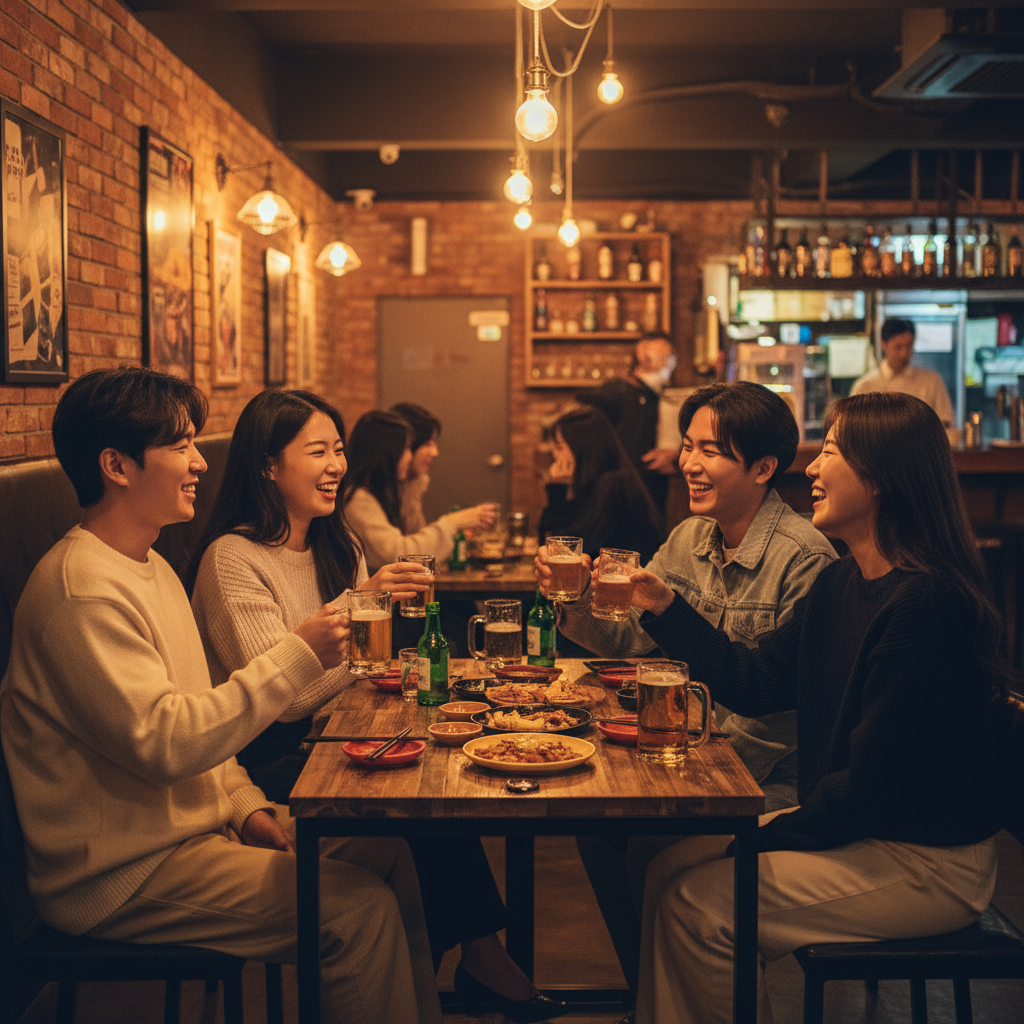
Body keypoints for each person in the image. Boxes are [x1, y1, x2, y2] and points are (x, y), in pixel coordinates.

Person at [0, 368, 441, 1024]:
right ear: (116, 465)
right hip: (122, 873)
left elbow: (200, 719)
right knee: (357, 911)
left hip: (195, 834)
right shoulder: (82, 590)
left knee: (393, 852)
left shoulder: (148, 566)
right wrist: (301, 651)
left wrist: (245, 807)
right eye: (181, 445)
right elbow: (168, 743)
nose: (200, 462)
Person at [626, 391, 1008, 1024]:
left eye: (829, 450)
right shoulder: (843, 582)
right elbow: (754, 680)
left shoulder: (924, 606)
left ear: (881, 478)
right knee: (665, 864)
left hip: (924, 861)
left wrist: (760, 835)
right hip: (865, 831)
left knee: (698, 906)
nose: (810, 468)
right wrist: (665, 608)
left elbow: (873, 788)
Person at [188, 388, 565, 1024]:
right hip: (273, 754)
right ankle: (481, 962)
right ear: (267, 466)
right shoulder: (233, 559)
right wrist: (361, 607)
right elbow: (288, 702)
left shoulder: (338, 545)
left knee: (445, 770)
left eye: (338, 448)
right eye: (317, 451)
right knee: (422, 795)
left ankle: (466, 965)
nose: (336, 464)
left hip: (336, 730)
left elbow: (367, 667)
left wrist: (393, 651)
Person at [536, 381, 836, 998]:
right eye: (686, 445)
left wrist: (693, 750)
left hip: (767, 774)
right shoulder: (688, 539)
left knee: (651, 845)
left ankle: (666, 999)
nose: (688, 463)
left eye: (710, 450)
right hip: (688, 756)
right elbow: (636, 646)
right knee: (594, 829)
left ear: (762, 468)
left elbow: (777, 698)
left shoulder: (807, 560)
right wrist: (569, 605)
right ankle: (650, 994)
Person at [342, 409, 498, 574]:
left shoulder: (385, 493)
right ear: (387, 452)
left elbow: (414, 540)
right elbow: (399, 555)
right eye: (407, 448)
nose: (410, 456)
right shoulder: (357, 499)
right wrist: (453, 522)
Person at [538, 405, 664, 563]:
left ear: (583, 448)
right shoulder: (593, 485)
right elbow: (546, 543)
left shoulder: (614, 485)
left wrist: (557, 491)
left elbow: (566, 553)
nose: (555, 454)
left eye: (560, 447)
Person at [576, 332, 681, 512]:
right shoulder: (617, 391)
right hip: (619, 496)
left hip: (655, 491)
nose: (668, 363)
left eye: (670, 358)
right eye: (663, 357)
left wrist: (676, 456)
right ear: (642, 354)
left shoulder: (664, 396)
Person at [852, 316, 957, 440]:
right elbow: (854, 431)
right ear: (883, 344)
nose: (904, 353)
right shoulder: (865, 386)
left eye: (909, 346)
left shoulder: (932, 381)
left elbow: (946, 423)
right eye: (898, 347)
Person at [390, 401, 441, 534]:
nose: (435, 452)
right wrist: (452, 523)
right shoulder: (366, 496)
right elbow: (398, 551)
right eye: (427, 444)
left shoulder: (413, 485)